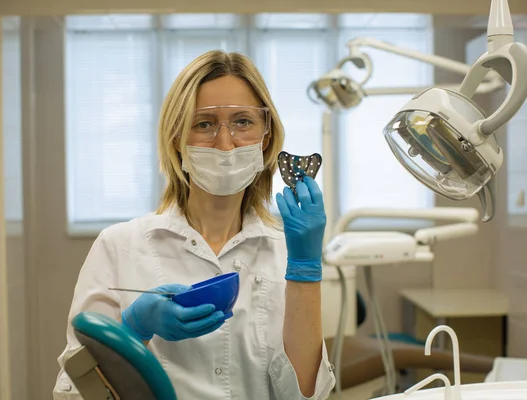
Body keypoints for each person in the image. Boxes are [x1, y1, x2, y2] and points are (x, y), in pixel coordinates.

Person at [53, 50, 336, 400]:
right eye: (203, 124)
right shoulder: (119, 246)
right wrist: (132, 331)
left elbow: (306, 395)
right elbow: (75, 394)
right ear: (176, 139)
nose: (225, 142)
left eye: (243, 122)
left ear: (266, 138)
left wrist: (305, 268)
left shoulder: (284, 253)